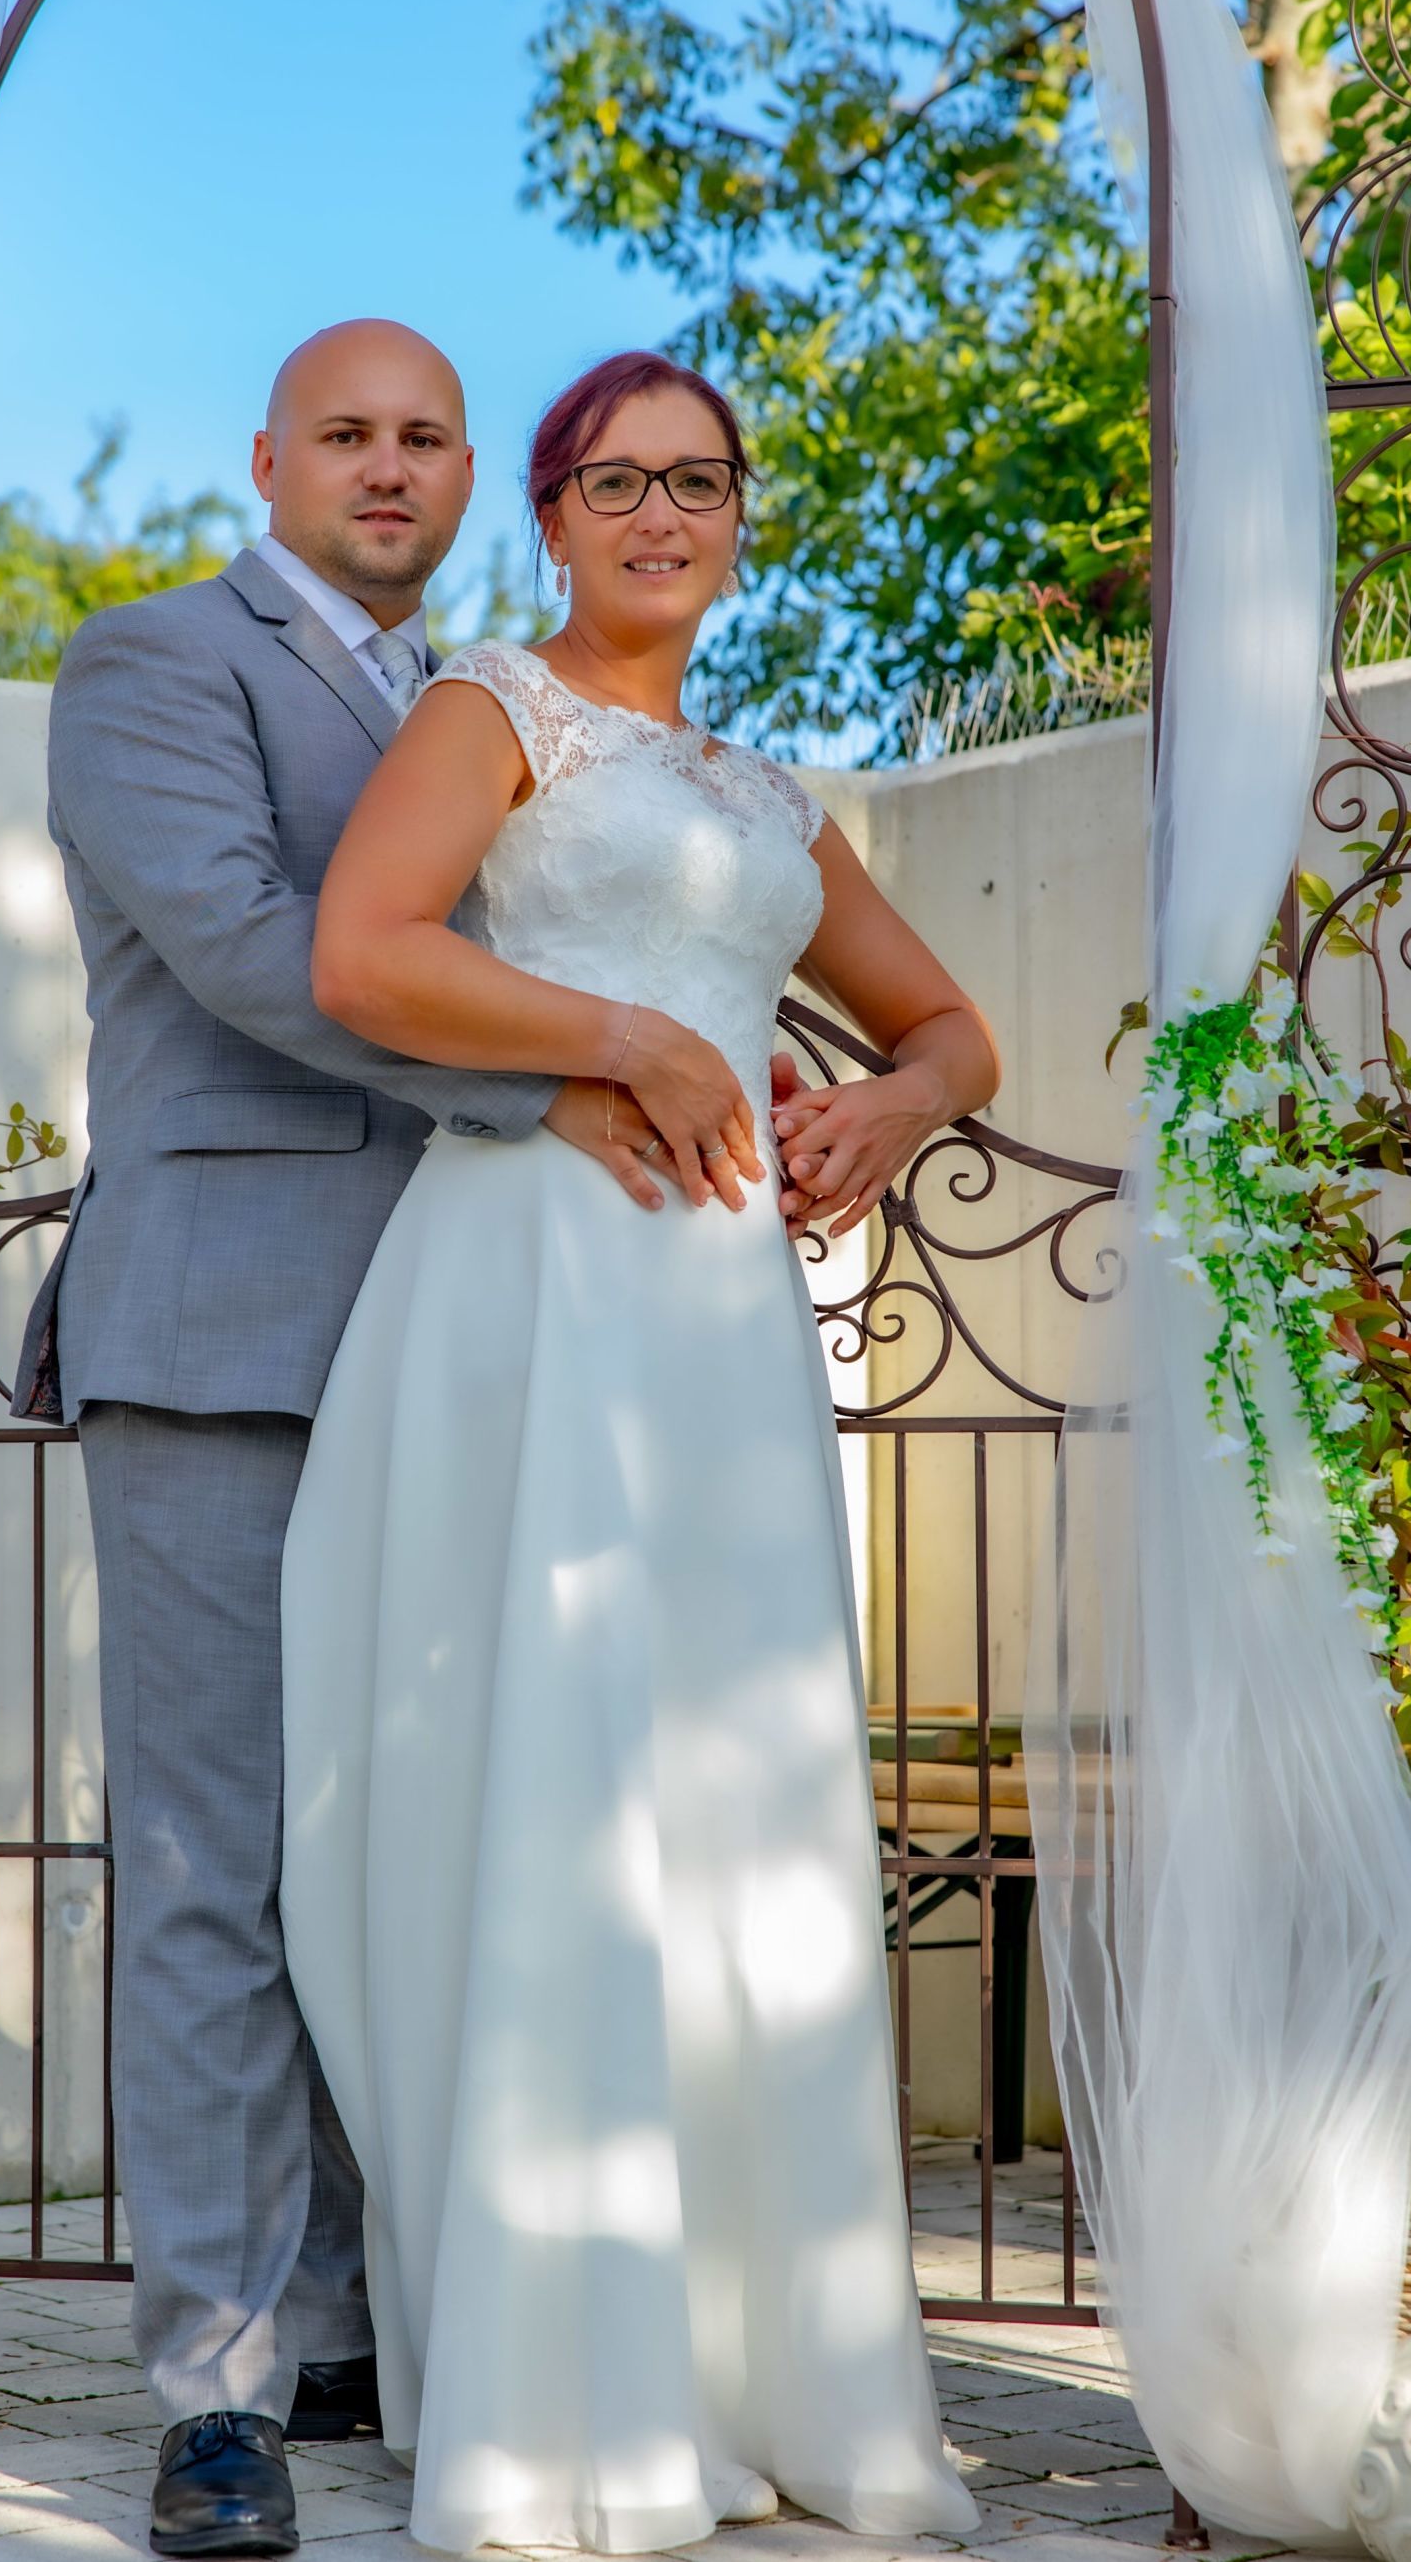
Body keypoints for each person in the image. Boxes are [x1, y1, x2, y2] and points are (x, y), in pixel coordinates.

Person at [11, 322, 751, 2562]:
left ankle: (362, 2321)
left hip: (472, 1342)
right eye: (347, 434)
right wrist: (567, 1081)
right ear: (269, 462)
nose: (389, 467)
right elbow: (265, 953)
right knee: (220, 1865)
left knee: (418, 1838)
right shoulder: (153, 662)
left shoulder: (489, 702)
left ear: (470, 475)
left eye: (427, 435)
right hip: (226, 1333)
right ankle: (221, 2388)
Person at [280, 348, 999, 2557]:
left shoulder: (771, 798)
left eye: (699, 481)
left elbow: (954, 1027)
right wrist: (630, 1036)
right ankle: (564, 2386)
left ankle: (772, 2367)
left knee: (734, 1802)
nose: (661, 516)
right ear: (554, 517)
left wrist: (889, 1104)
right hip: (536, 1290)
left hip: (720, 1339)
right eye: (617, 483)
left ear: (742, 515)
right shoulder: (496, 711)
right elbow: (362, 955)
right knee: (560, 1782)